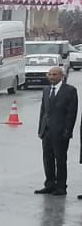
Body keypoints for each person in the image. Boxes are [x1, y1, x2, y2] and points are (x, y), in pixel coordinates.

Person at [35, 65, 77, 196]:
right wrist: (40, 129)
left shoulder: (70, 91)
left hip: (60, 132)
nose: (51, 77)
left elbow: (72, 113)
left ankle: (61, 187)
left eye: (54, 74)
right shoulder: (46, 90)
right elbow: (43, 111)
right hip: (46, 131)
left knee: (60, 159)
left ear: (61, 76)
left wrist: (67, 131)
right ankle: (49, 184)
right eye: (49, 74)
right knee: (47, 159)